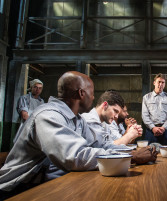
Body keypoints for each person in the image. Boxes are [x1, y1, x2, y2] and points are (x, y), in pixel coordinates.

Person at [0, 71, 156, 198]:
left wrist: (130, 152)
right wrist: (132, 157)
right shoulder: (48, 115)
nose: (94, 98)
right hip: (18, 190)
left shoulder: (77, 120)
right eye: (92, 93)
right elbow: (75, 156)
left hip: (44, 184)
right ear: (81, 93)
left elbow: (99, 145)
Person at [142, 73, 167, 145]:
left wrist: (163, 128)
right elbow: (145, 115)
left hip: (166, 130)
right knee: (150, 153)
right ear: (154, 83)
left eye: (163, 82)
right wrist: (153, 128)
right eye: (159, 82)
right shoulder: (146, 97)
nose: (160, 84)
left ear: (165, 84)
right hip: (151, 130)